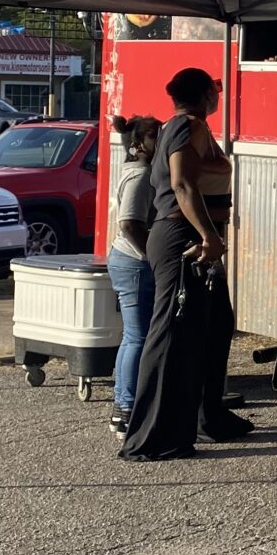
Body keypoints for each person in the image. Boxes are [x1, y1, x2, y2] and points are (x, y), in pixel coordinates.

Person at [119, 69, 252, 461]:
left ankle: (207, 415)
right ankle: (152, 433)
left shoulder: (190, 127)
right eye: (215, 89)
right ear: (205, 94)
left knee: (215, 325)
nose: (218, 95)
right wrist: (209, 236)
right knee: (172, 333)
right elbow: (182, 185)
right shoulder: (185, 126)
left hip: (192, 235)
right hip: (182, 237)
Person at [105, 112, 162, 435]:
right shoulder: (140, 174)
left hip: (130, 263)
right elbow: (129, 223)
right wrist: (151, 256)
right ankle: (124, 408)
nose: (162, 139)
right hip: (134, 264)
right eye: (155, 135)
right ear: (139, 143)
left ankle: (125, 405)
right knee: (137, 337)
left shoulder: (139, 167)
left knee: (134, 336)